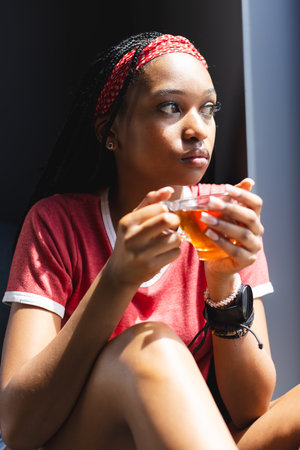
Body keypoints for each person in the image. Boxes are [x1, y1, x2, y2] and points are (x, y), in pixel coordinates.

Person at [0, 31, 299, 450]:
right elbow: (17, 429)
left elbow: (250, 409)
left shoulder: (222, 221)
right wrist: (117, 277)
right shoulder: (57, 222)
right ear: (110, 130)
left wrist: (225, 285)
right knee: (151, 347)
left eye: (209, 109)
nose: (198, 129)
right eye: (170, 107)